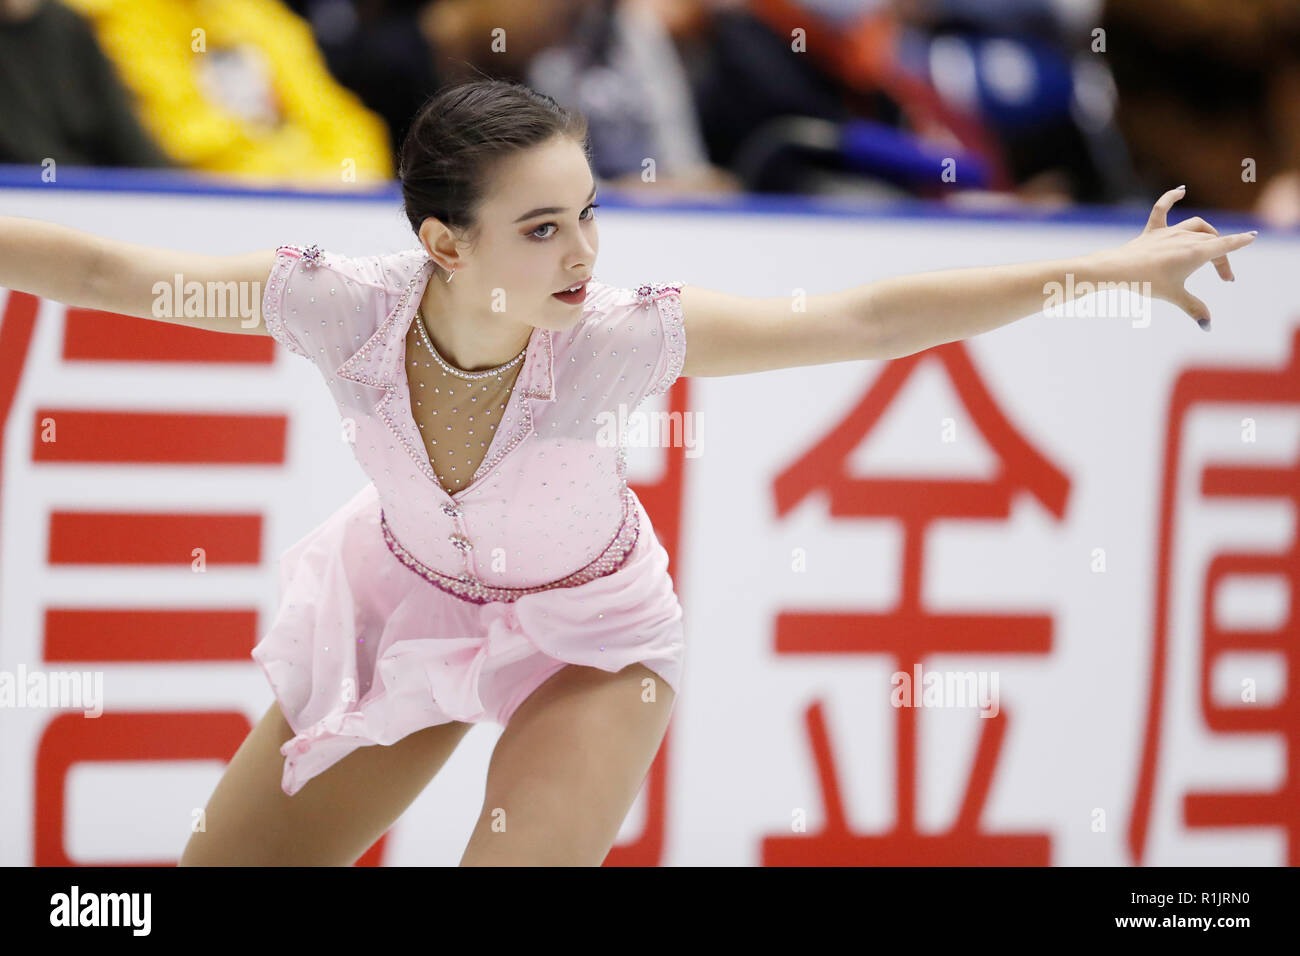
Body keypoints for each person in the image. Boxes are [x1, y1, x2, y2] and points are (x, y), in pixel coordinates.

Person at [0, 79, 1254, 866]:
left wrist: (1101, 268)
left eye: (589, 212)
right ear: (441, 243)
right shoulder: (340, 309)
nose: (583, 250)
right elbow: (112, 275)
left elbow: (863, 317)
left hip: (591, 641)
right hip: (403, 605)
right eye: (542, 227)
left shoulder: (619, 336)